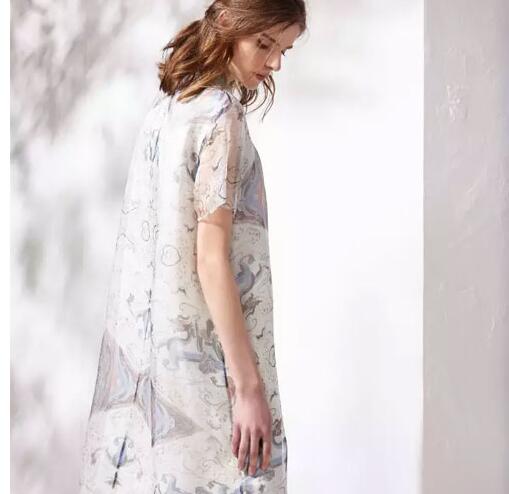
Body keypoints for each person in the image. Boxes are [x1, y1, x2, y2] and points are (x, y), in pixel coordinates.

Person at [78, 1, 307, 492]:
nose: (274, 63)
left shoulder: (170, 107)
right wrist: (247, 387)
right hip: (208, 369)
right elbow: (210, 258)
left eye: (284, 50)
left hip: (154, 372)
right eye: (264, 44)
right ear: (227, 25)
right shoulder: (221, 116)